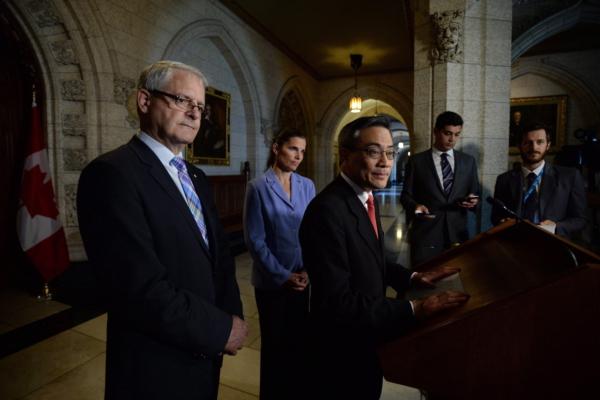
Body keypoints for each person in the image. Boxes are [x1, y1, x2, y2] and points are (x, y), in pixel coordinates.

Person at [77, 60, 248, 400]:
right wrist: (219, 328)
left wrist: (232, 315)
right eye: (182, 100)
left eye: (200, 106)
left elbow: (221, 257)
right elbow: (138, 288)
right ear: (145, 101)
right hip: (156, 363)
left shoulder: (195, 176)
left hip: (204, 352)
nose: (195, 113)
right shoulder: (112, 174)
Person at [299, 116, 470, 400]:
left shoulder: (366, 196)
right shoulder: (327, 211)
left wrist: (412, 276)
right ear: (345, 156)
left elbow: (371, 259)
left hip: (366, 337)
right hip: (341, 351)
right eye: (373, 151)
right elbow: (338, 303)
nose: (385, 162)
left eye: (390, 153)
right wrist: (414, 309)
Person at [243, 129, 316, 400]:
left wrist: (309, 270)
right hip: (273, 282)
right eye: (293, 149)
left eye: (302, 151)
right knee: (275, 347)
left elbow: (312, 232)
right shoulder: (258, 187)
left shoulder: (307, 185)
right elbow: (255, 240)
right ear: (276, 148)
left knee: (299, 344)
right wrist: (284, 275)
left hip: (303, 279)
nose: (298, 156)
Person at [401, 111, 480, 266]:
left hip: (458, 235)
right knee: (425, 283)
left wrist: (473, 202)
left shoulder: (468, 162)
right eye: (447, 133)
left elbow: (476, 194)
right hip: (426, 235)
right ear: (435, 131)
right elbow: (405, 196)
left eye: (457, 134)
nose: (452, 139)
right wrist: (416, 206)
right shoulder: (417, 162)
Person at [492, 123, 587, 237]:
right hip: (515, 245)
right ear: (519, 146)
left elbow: (581, 219)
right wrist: (503, 222)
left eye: (540, 142)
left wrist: (555, 227)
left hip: (554, 246)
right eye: (528, 143)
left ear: (548, 145)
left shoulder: (570, 176)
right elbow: (496, 216)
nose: (534, 148)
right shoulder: (504, 179)